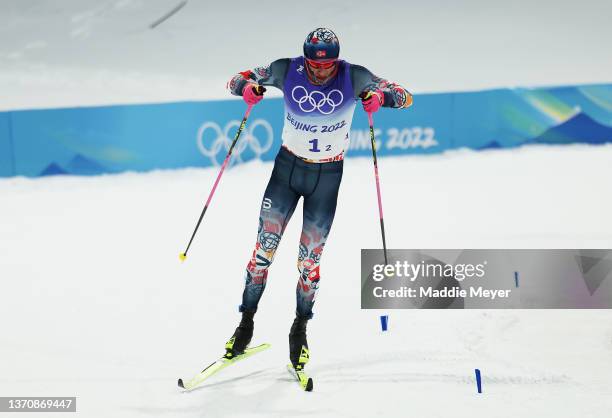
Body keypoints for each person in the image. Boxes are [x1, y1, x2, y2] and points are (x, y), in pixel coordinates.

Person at [224, 28, 412, 372]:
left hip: (326, 178)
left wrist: (381, 99)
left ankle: (300, 328)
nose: (321, 72)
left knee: (308, 265)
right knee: (262, 254)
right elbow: (237, 79)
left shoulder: (355, 75)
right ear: (306, 58)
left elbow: (403, 95)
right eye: (314, 65)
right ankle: (245, 324)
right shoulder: (286, 69)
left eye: (327, 66)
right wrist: (247, 89)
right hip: (286, 172)